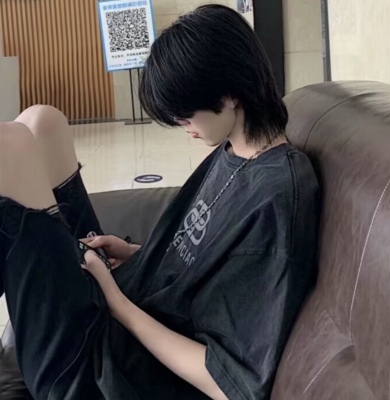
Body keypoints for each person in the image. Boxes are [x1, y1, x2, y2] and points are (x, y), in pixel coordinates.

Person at [0, 4, 319, 400]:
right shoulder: (234, 151)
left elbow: (226, 383)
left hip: (101, 371)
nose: (184, 128)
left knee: (7, 146)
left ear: (229, 95)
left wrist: (117, 302)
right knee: (42, 121)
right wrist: (137, 253)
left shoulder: (277, 198)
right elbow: (207, 267)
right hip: (118, 310)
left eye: (185, 115)